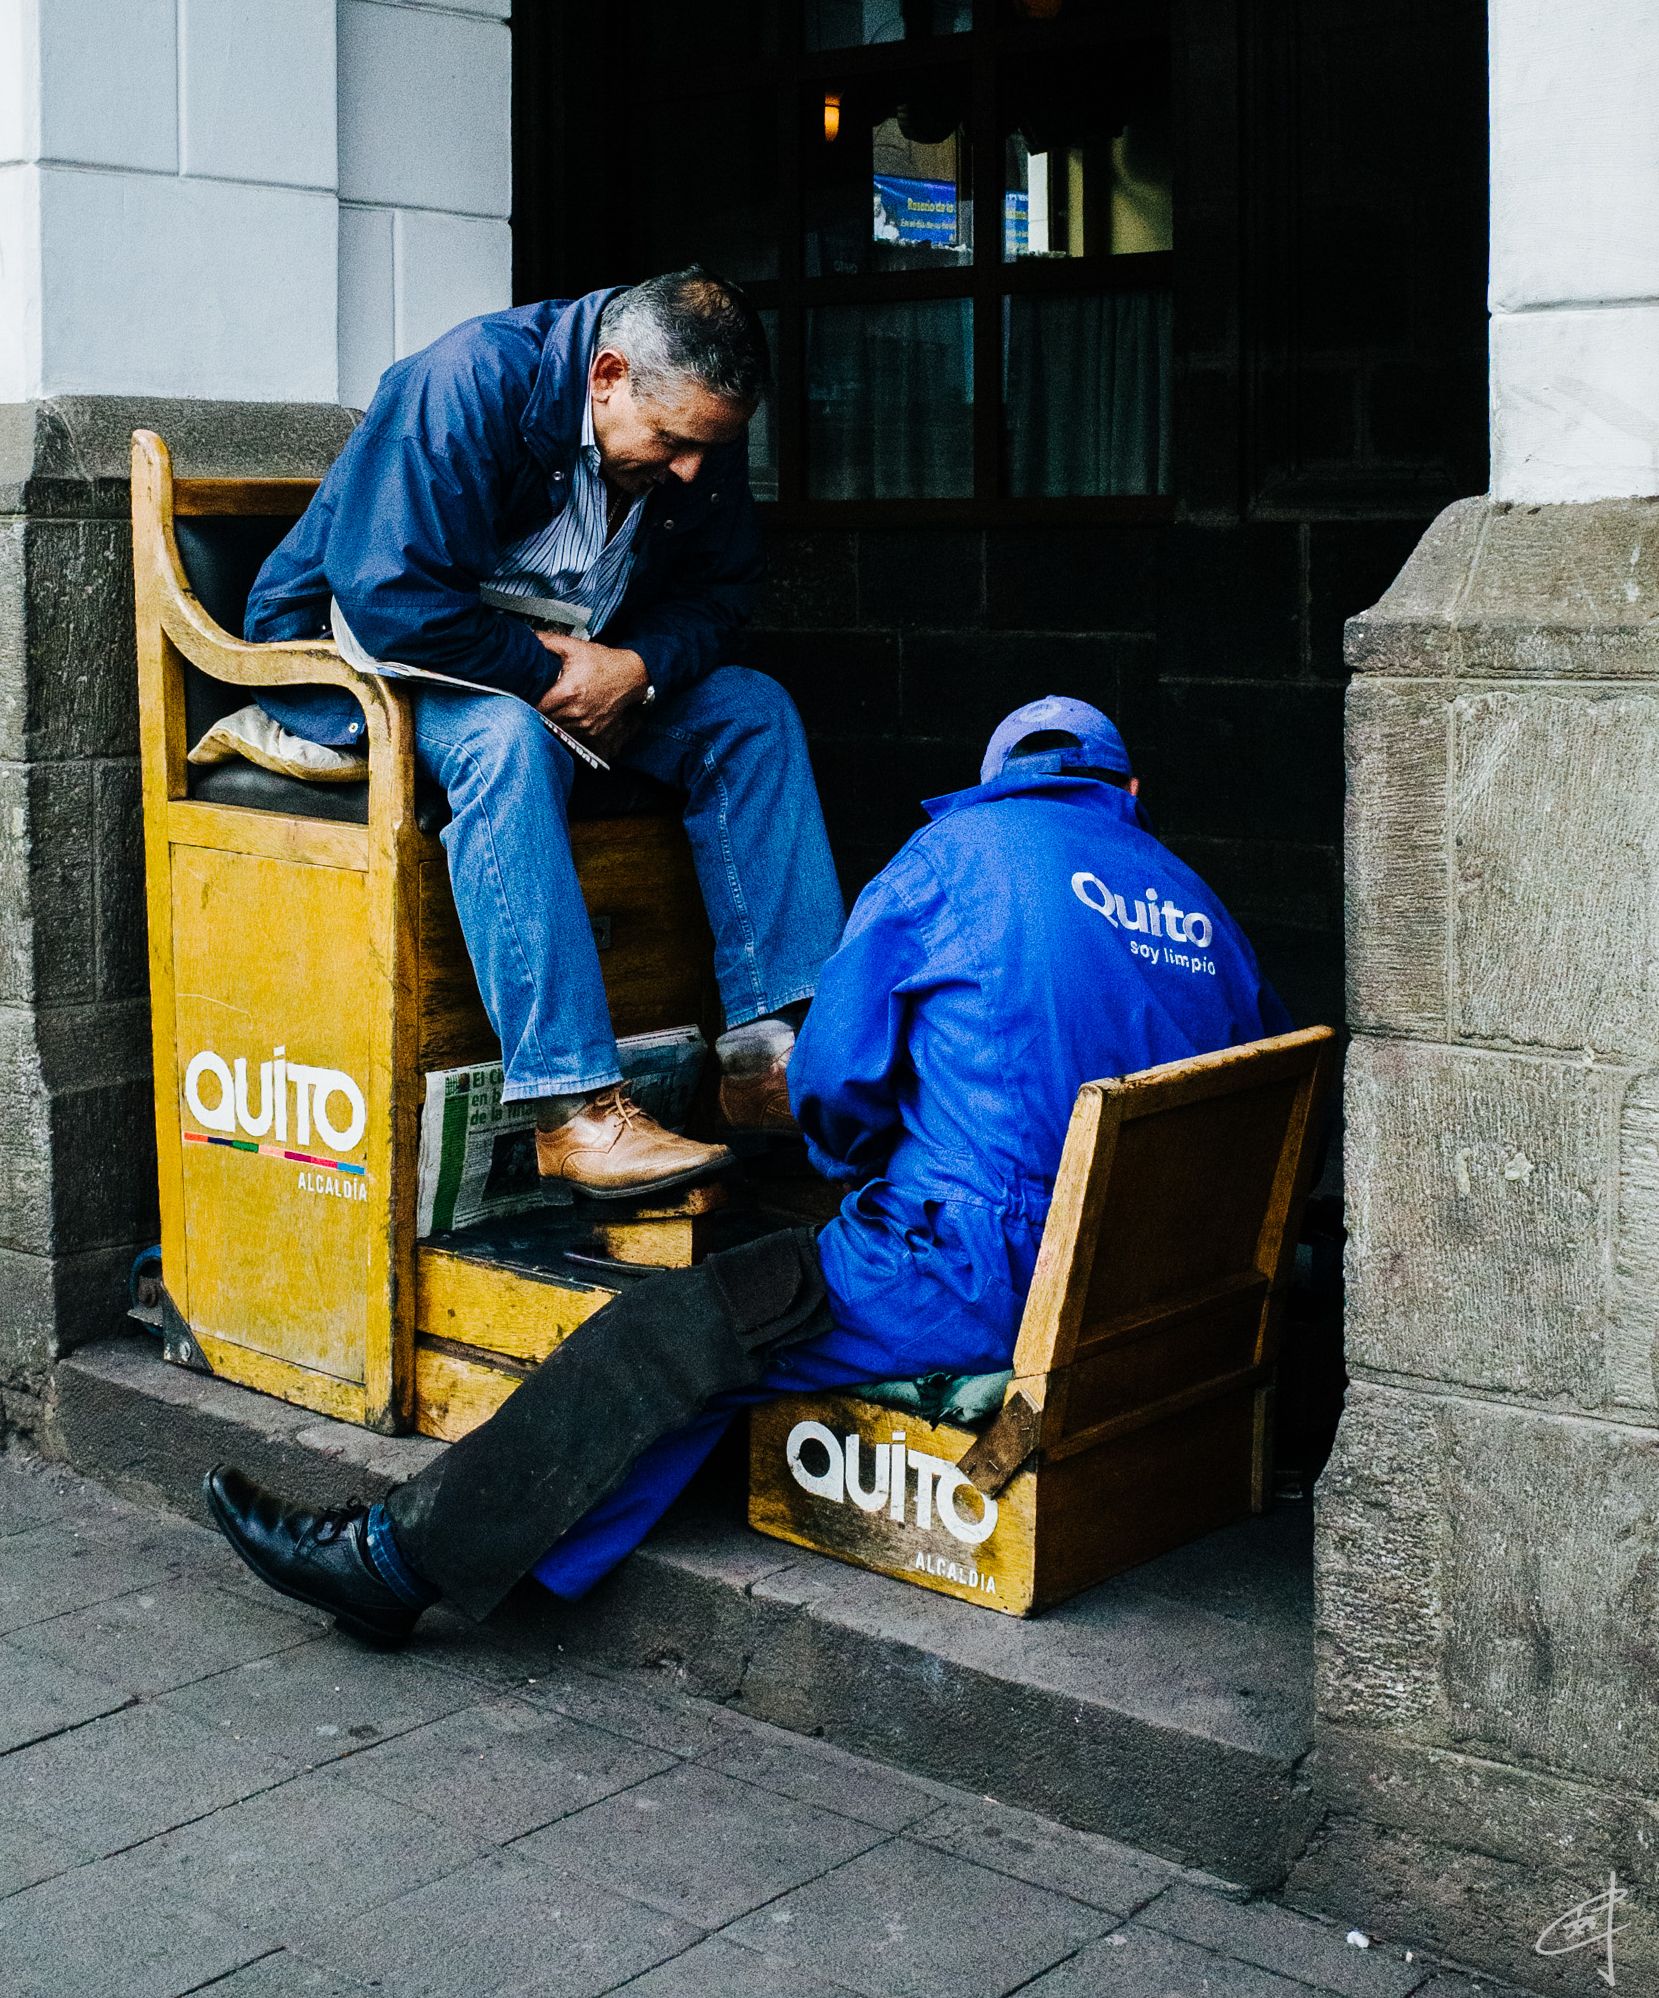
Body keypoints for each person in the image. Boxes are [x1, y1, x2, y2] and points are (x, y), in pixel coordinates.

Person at [204, 695, 1295, 1647]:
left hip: (973, 1269)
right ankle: (528, 1540)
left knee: (670, 1331)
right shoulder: (1204, 908)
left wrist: (846, 1154)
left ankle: (388, 1563)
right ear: (1129, 787)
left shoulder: (952, 858)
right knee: (743, 1328)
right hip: (1149, 1282)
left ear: (992, 782)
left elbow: (831, 1077)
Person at [231, 268, 845, 1200]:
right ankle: (576, 1110)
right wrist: (557, 676)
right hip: (368, 662)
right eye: (673, 441)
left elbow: (721, 598)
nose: (690, 469)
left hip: (569, 661)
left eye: (710, 448)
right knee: (505, 741)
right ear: (606, 376)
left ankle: (769, 1061)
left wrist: (633, 669)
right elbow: (390, 599)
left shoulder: (692, 442)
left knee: (752, 713)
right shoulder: (466, 381)